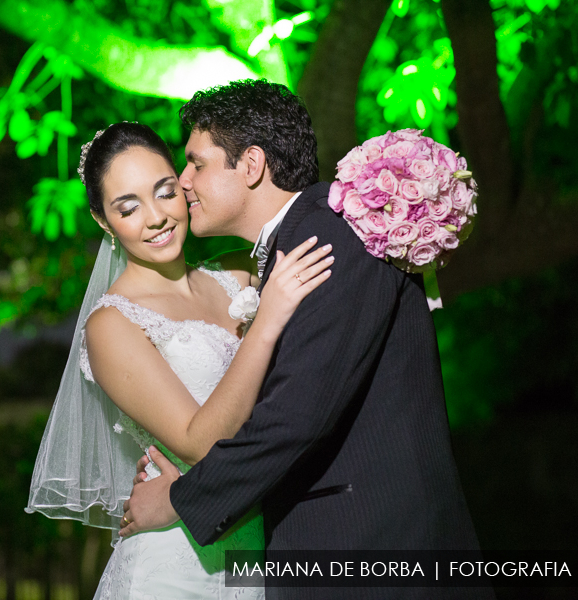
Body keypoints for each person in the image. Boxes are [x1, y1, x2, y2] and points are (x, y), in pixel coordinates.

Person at [119, 80, 492, 599]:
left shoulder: (330, 236)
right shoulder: (291, 248)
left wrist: (178, 499)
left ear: (250, 165)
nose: (182, 182)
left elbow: (297, 415)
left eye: (197, 164)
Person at [25, 121, 334, 599]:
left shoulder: (240, 271)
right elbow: (199, 443)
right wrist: (267, 319)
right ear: (103, 221)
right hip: (174, 567)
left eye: (165, 192)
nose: (156, 217)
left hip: (256, 552)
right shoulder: (112, 325)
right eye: (128, 208)